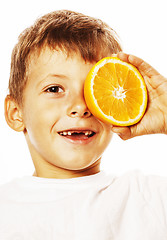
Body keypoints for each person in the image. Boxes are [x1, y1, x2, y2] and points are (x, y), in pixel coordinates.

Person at [1, 9, 167, 239]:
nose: (81, 106)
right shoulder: (5, 210)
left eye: (94, 91)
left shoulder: (149, 198)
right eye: (55, 89)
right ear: (16, 113)